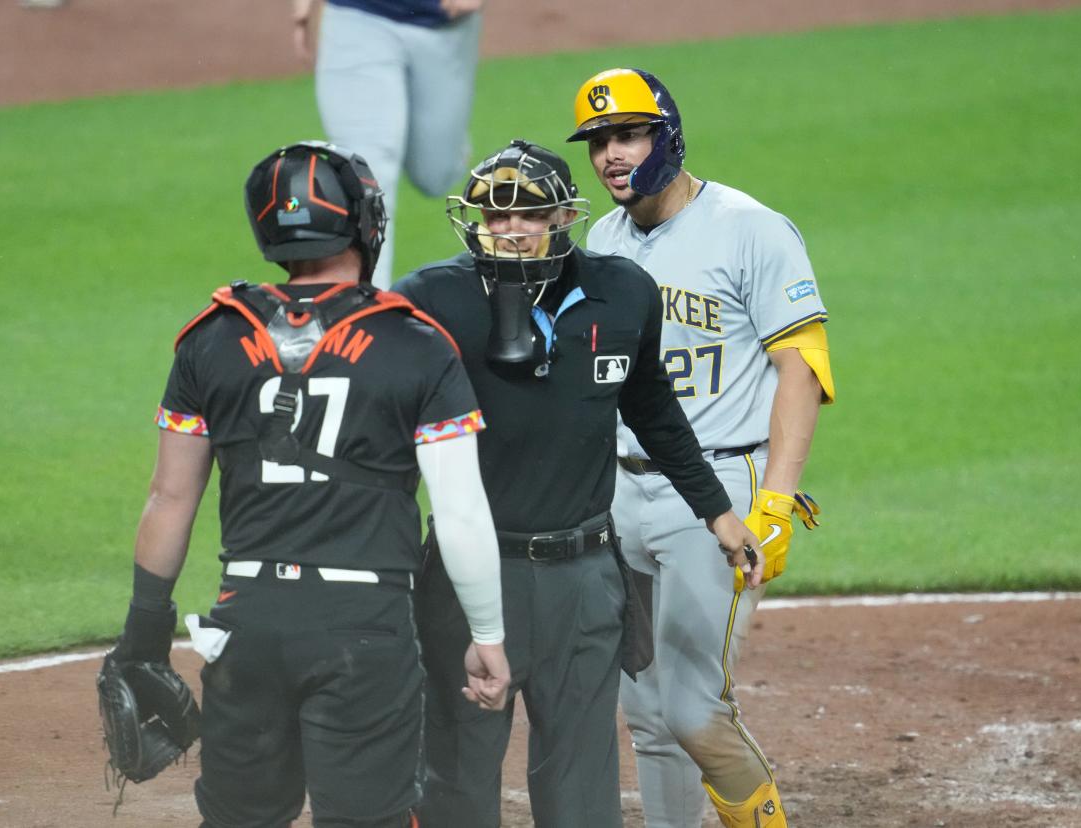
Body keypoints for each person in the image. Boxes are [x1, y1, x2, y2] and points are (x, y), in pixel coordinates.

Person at [104, 140, 510, 827]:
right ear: (362, 223)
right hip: (364, 628)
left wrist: (144, 632)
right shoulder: (417, 344)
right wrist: (488, 634)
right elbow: (462, 512)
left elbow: (169, 498)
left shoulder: (211, 338)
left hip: (246, 621)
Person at [393, 138, 764, 828]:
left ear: (564, 215)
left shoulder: (622, 293)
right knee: (457, 781)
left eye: (525, 214)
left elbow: (652, 407)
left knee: (581, 787)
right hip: (471, 575)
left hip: (587, 576)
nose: (506, 230)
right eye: (491, 215)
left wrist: (717, 512)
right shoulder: (429, 302)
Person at [566, 68, 836, 828]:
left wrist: (776, 499)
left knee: (692, 710)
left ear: (668, 133)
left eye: (627, 134)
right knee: (648, 716)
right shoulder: (603, 239)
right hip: (621, 494)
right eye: (597, 143)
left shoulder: (750, 228)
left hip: (715, 490)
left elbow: (802, 367)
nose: (611, 155)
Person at [292, 0, 483, 288]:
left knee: (435, 174)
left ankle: (440, 149)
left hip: (443, 24)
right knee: (368, 167)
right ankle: (368, 307)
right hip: (357, 16)